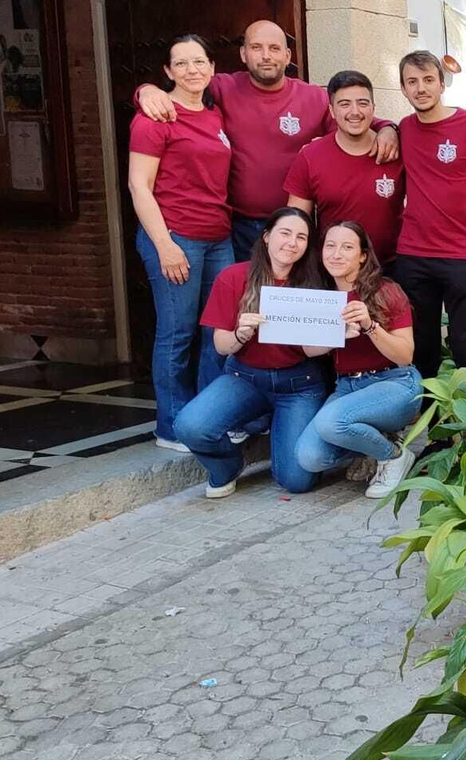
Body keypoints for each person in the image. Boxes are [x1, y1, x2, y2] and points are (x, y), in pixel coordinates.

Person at [134, 20, 400, 259]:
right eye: (256, 47)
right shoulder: (221, 87)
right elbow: (183, 87)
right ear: (243, 54)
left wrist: (388, 127)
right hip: (237, 227)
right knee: (240, 295)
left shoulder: (313, 97)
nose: (265, 56)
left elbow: (352, 118)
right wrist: (146, 91)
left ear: (287, 56)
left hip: (293, 226)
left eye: (274, 48)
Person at [126, 34, 235, 452]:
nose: (192, 70)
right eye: (182, 63)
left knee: (217, 333)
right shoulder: (154, 119)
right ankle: (171, 426)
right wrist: (164, 245)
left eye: (199, 61)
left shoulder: (214, 115)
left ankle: (206, 418)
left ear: (212, 67)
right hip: (175, 238)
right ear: (168, 71)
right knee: (177, 333)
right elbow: (139, 186)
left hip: (218, 238)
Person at [174, 207, 329, 497]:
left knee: (296, 481)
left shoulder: (315, 284)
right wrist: (240, 335)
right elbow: (221, 345)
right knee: (189, 426)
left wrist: (334, 337)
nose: (292, 243)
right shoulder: (233, 277)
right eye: (285, 233)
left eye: (301, 237)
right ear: (267, 236)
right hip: (244, 377)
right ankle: (228, 466)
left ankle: (282, 432)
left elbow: (311, 350)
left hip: (299, 385)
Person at [393, 50, 466, 381]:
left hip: (462, 255)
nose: (421, 88)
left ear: (442, 84)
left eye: (428, 80)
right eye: (412, 82)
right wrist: (386, 129)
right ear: (402, 88)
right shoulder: (404, 128)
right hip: (413, 255)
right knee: (421, 348)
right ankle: (425, 413)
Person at [294, 222, 421, 498]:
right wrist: (336, 335)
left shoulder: (386, 290)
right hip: (347, 387)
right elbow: (309, 350)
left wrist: (369, 325)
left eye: (347, 247)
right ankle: (375, 445)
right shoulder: (322, 296)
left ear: (363, 255)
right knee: (309, 457)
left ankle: (394, 456)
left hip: (395, 382)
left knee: (330, 421)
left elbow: (405, 356)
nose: (336, 254)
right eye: (330, 246)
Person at [283, 71, 406, 270]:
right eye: (344, 104)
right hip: (333, 270)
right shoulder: (310, 156)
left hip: (391, 267)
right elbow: (296, 220)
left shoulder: (396, 151)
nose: (355, 112)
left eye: (363, 103)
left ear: (373, 108)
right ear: (331, 111)